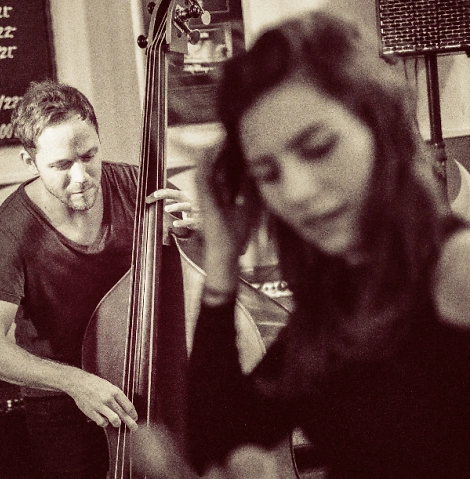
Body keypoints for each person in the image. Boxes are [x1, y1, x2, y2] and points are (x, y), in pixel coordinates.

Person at [136, 10, 470, 479]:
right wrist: (222, 259)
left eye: (318, 148)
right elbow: (224, 441)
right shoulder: (340, 294)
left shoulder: (459, 271)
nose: (295, 192)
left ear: (381, 127)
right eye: (267, 173)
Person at [0, 80, 200, 478]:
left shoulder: (141, 189)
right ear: (29, 161)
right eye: (61, 166)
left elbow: (205, 280)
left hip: (154, 384)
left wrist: (203, 235)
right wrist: (77, 382)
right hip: (63, 402)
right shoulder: (12, 230)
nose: (81, 177)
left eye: (89, 156)